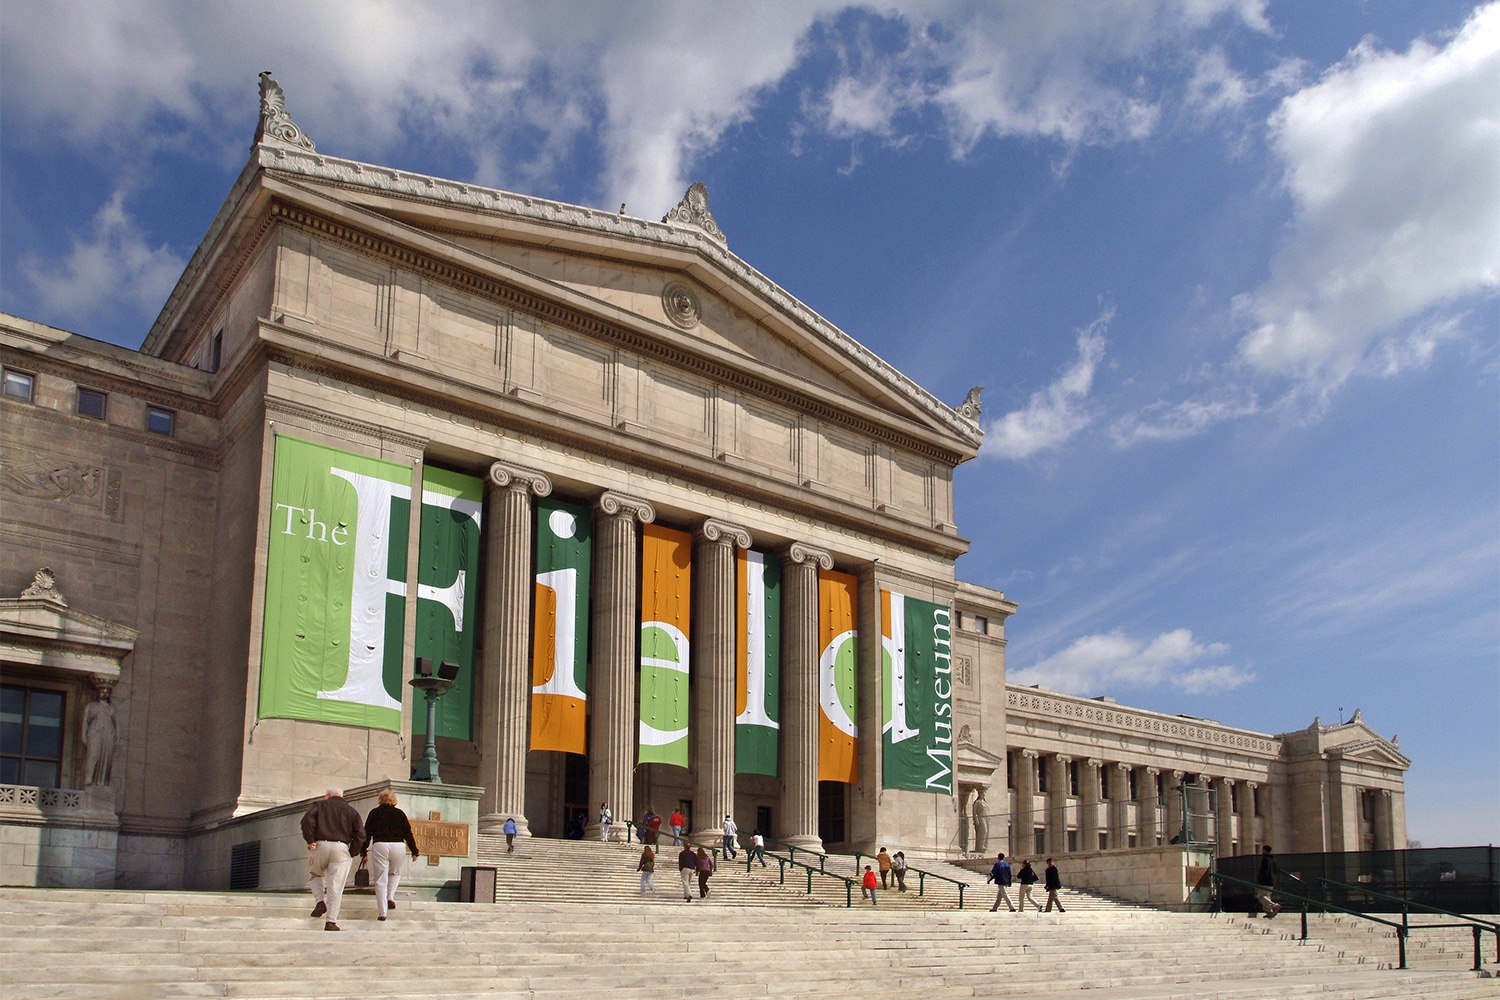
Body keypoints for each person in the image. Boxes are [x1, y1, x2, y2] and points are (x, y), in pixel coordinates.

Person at [301, 788, 366, 931]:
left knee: (316, 874)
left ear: (327, 796)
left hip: (320, 844)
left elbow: (306, 820)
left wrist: (310, 840)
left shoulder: (319, 805)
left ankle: (319, 901)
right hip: (341, 847)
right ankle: (331, 921)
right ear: (342, 796)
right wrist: (352, 852)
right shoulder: (352, 811)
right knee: (336, 886)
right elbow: (361, 834)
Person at [362, 788, 419, 922]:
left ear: (380, 800)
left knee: (381, 879)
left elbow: (367, 833)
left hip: (380, 845)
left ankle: (382, 913)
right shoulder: (400, 813)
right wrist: (414, 850)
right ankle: (390, 897)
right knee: (395, 873)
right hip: (398, 846)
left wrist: (363, 851)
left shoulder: (374, 813)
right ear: (394, 800)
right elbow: (408, 833)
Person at [1255, 845, 1282, 918]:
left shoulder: (1265, 859)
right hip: (1272, 881)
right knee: (1267, 896)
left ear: (1264, 850)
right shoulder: (1273, 860)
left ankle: (1274, 906)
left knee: (1260, 896)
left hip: (1265, 881)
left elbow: (1264, 871)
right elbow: (1275, 871)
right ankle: (1269, 912)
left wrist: (1260, 879)